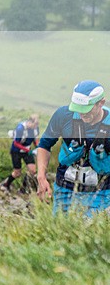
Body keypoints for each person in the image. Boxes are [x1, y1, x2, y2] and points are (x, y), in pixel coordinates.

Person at [36, 80, 110, 216]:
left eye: (86, 109)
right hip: (65, 188)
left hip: (102, 192)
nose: (82, 114)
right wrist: (41, 176)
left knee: (91, 233)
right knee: (61, 232)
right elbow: (44, 146)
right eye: (78, 109)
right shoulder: (64, 116)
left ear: (101, 103)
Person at [0, 114, 39, 192]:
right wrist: (27, 150)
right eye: (35, 124)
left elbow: (35, 139)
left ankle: (22, 189)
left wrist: (38, 147)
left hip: (27, 150)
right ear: (30, 122)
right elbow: (16, 143)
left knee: (32, 171)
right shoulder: (20, 128)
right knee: (17, 173)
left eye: (37, 124)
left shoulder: (35, 128)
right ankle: (6, 185)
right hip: (16, 151)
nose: (36, 126)